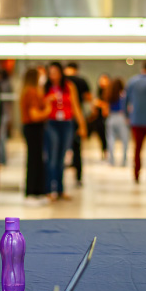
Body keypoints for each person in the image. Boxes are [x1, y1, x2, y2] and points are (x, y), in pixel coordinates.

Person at [44, 62, 87, 200]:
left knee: (62, 158)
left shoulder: (69, 86)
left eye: (55, 72)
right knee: (52, 157)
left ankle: (61, 189)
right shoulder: (45, 87)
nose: (53, 76)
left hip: (67, 124)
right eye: (50, 73)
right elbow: (39, 104)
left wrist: (82, 125)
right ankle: (50, 189)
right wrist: (48, 100)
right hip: (51, 123)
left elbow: (76, 107)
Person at [20, 67, 51, 203]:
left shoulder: (32, 91)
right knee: (34, 160)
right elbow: (35, 115)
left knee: (36, 160)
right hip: (33, 128)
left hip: (34, 129)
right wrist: (48, 109)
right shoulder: (32, 92)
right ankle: (32, 192)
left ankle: (37, 191)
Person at [64, 62, 92, 186]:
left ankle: (58, 179)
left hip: (63, 117)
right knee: (77, 148)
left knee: (60, 149)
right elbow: (88, 97)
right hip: (76, 116)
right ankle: (78, 177)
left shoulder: (62, 81)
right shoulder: (81, 81)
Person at [104, 77, 129, 167]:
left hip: (111, 117)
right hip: (121, 117)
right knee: (125, 140)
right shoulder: (123, 95)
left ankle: (111, 160)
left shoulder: (110, 94)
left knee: (111, 140)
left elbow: (106, 110)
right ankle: (124, 160)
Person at [88, 74, 110, 160]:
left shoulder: (109, 91)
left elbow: (107, 105)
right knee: (101, 135)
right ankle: (104, 151)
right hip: (99, 117)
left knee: (107, 135)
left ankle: (107, 151)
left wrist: (101, 104)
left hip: (106, 117)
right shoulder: (99, 91)